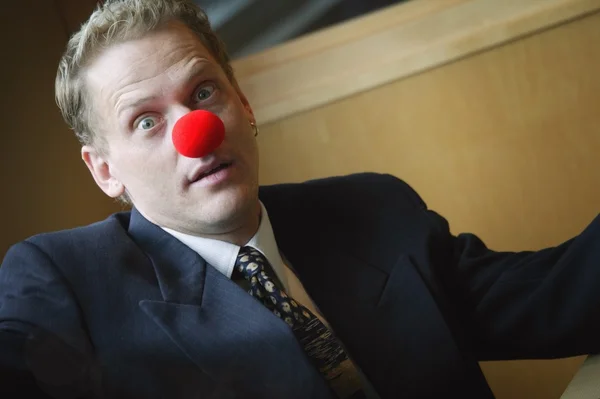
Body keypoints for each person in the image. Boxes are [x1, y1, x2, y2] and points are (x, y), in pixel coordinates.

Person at [1, 0, 599, 398]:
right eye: (147, 121)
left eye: (204, 91)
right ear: (105, 171)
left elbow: (559, 297)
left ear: (244, 105)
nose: (195, 129)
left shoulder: (373, 210)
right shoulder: (64, 281)